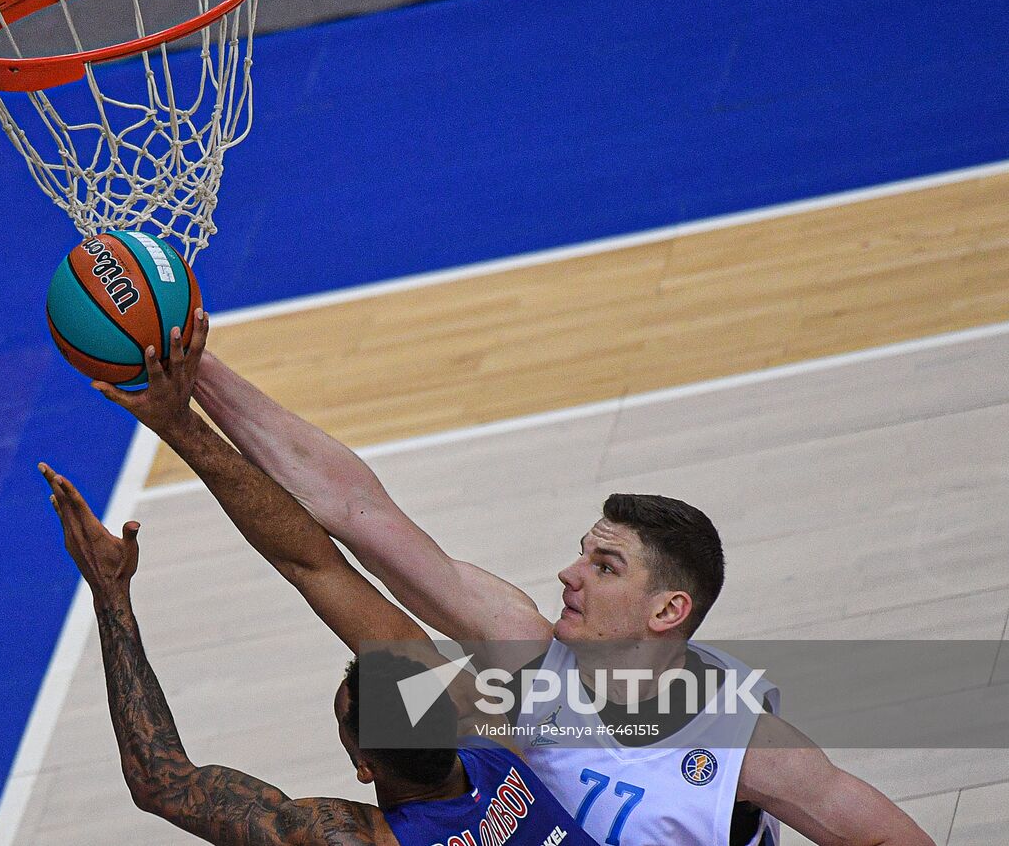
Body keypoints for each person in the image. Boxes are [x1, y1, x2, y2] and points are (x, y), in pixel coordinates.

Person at [91, 311, 934, 846]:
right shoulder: (517, 678)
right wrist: (195, 371)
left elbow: (167, 776)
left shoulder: (732, 740)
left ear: (667, 608)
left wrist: (118, 581)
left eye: (603, 565)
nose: (569, 572)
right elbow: (356, 513)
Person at [38, 460, 600, 846]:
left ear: (364, 765)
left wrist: (111, 594)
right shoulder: (503, 749)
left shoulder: (350, 837)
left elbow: (160, 780)